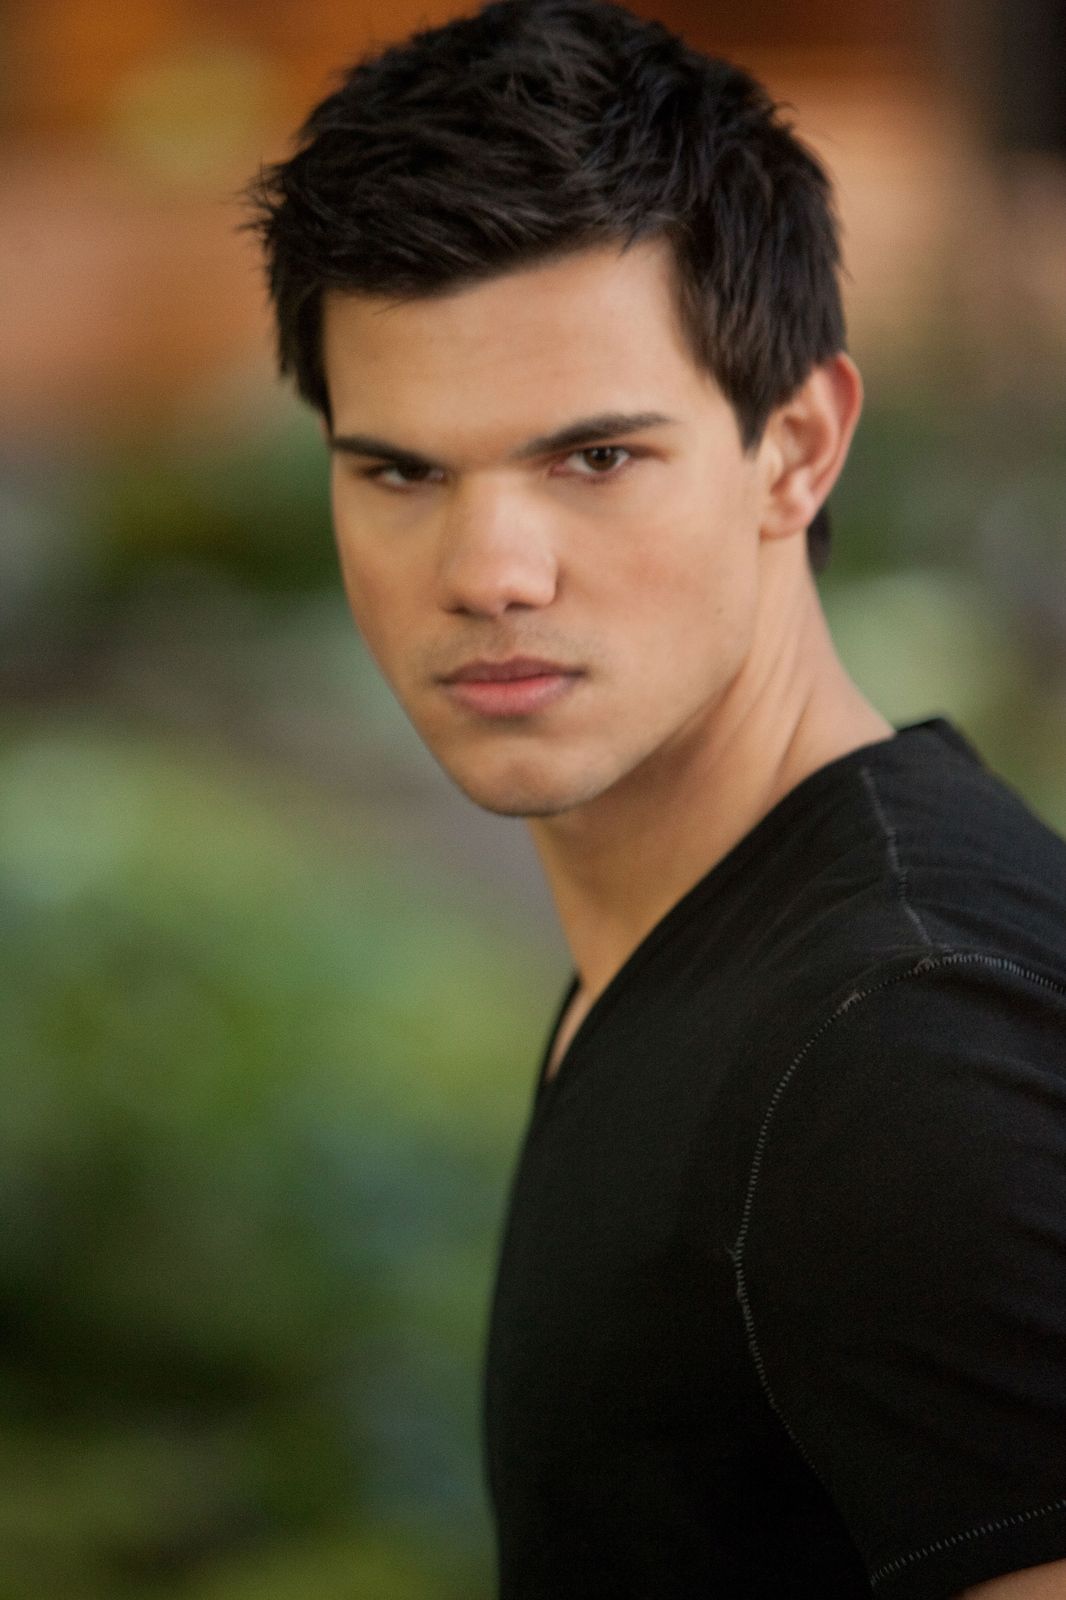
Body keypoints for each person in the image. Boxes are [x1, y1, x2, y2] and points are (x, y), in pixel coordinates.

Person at [246, 2, 1066, 1594]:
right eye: (401, 471)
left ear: (795, 448)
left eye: (595, 460)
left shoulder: (896, 1050)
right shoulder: (731, 952)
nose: (489, 573)